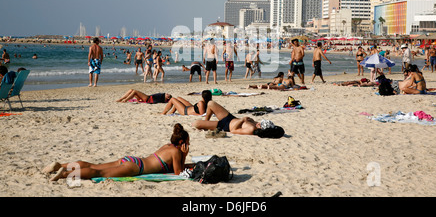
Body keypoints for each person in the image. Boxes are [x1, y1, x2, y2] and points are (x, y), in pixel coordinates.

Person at [42, 123, 190, 181]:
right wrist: (184, 155)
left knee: (95, 165)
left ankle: (59, 165)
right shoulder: (176, 153)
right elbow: (178, 173)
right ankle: (65, 174)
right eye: (188, 142)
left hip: (132, 160)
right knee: (97, 173)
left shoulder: (167, 146)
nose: (189, 144)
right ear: (182, 143)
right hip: (137, 168)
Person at [192, 100, 273, 136]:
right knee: (210, 103)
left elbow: (233, 130)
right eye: (261, 122)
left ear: (261, 129)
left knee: (196, 123)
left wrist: (242, 120)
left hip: (225, 125)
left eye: (260, 125)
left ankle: (206, 124)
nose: (259, 123)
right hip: (230, 118)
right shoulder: (255, 124)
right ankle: (206, 122)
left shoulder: (251, 129)